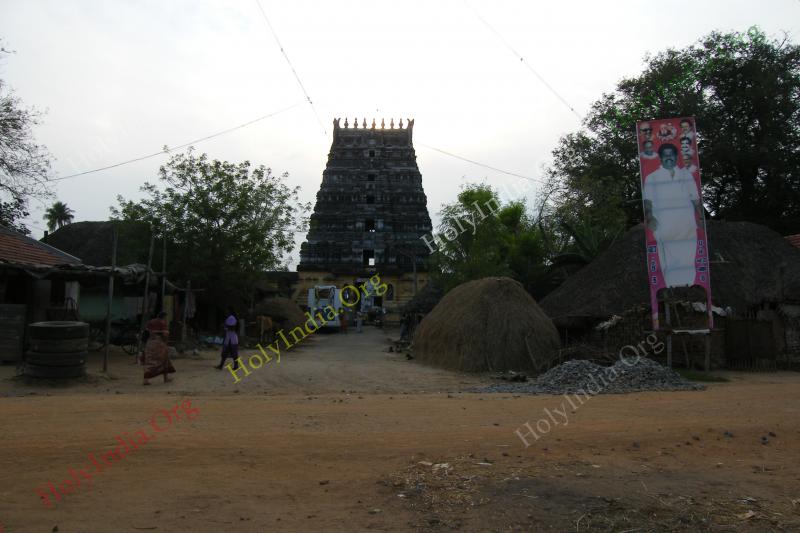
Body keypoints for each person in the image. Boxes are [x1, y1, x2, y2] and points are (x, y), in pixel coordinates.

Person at [643, 143, 702, 287]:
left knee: (687, 260)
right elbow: (648, 202)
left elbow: (695, 200)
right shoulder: (652, 178)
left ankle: (690, 292)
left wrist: (701, 218)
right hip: (665, 227)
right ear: (661, 158)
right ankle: (674, 293)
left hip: (686, 226)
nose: (668, 158)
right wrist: (650, 217)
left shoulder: (686, 174)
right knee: (668, 262)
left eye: (671, 155)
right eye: (665, 155)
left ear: (676, 157)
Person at [143, 311, 175, 385]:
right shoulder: (162, 322)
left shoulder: (151, 322)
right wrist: (166, 340)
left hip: (150, 342)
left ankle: (145, 380)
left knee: (149, 361)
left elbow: (146, 332)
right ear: (163, 317)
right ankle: (166, 378)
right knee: (164, 360)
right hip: (159, 343)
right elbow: (165, 334)